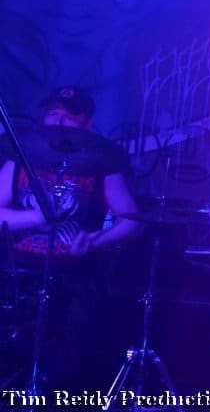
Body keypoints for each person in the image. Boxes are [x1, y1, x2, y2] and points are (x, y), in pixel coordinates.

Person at [0, 85, 142, 391]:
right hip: (18, 269)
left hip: (74, 271)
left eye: (68, 117)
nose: (58, 122)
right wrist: (35, 217)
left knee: (73, 345)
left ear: (86, 124)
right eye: (52, 114)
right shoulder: (21, 157)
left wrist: (94, 240)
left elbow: (131, 221)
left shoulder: (103, 163)